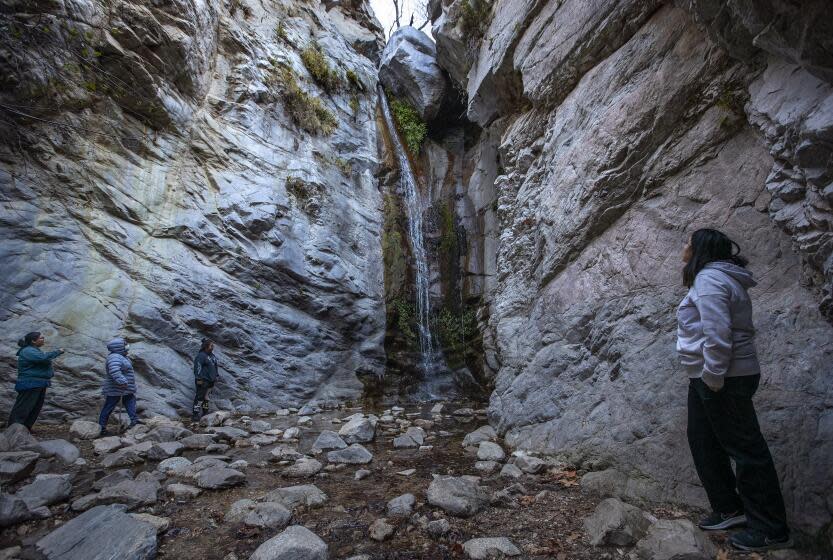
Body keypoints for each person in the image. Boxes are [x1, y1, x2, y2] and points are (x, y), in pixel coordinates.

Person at [677, 228, 791, 552]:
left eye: (688, 242)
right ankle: (729, 507)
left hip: (723, 376)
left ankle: (770, 528)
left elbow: (718, 334)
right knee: (702, 439)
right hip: (709, 375)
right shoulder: (713, 278)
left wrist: (713, 377)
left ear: (701, 249)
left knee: (745, 448)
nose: (684, 247)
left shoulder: (710, 280)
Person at [8, 332, 64, 429]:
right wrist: (58, 351)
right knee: (23, 408)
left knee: (34, 408)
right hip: (30, 383)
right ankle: (13, 429)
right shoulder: (28, 351)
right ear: (33, 341)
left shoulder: (34, 350)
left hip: (38, 383)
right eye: (41, 338)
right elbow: (43, 358)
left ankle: (24, 429)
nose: (43, 339)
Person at [98, 337, 140, 435]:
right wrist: (122, 381)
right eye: (124, 344)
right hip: (116, 389)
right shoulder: (114, 357)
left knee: (131, 401)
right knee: (109, 407)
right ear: (118, 347)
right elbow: (114, 371)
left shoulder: (121, 356)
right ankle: (101, 428)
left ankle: (134, 421)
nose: (127, 346)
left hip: (125, 389)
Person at [192, 338, 219, 422]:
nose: (213, 347)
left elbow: (215, 366)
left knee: (206, 398)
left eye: (213, 346)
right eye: (211, 346)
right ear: (206, 346)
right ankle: (195, 414)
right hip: (203, 380)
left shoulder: (212, 356)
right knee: (199, 397)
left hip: (211, 381)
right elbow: (197, 367)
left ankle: (205, 413)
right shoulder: (201, 356)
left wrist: (216, 375)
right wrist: (199, 379)